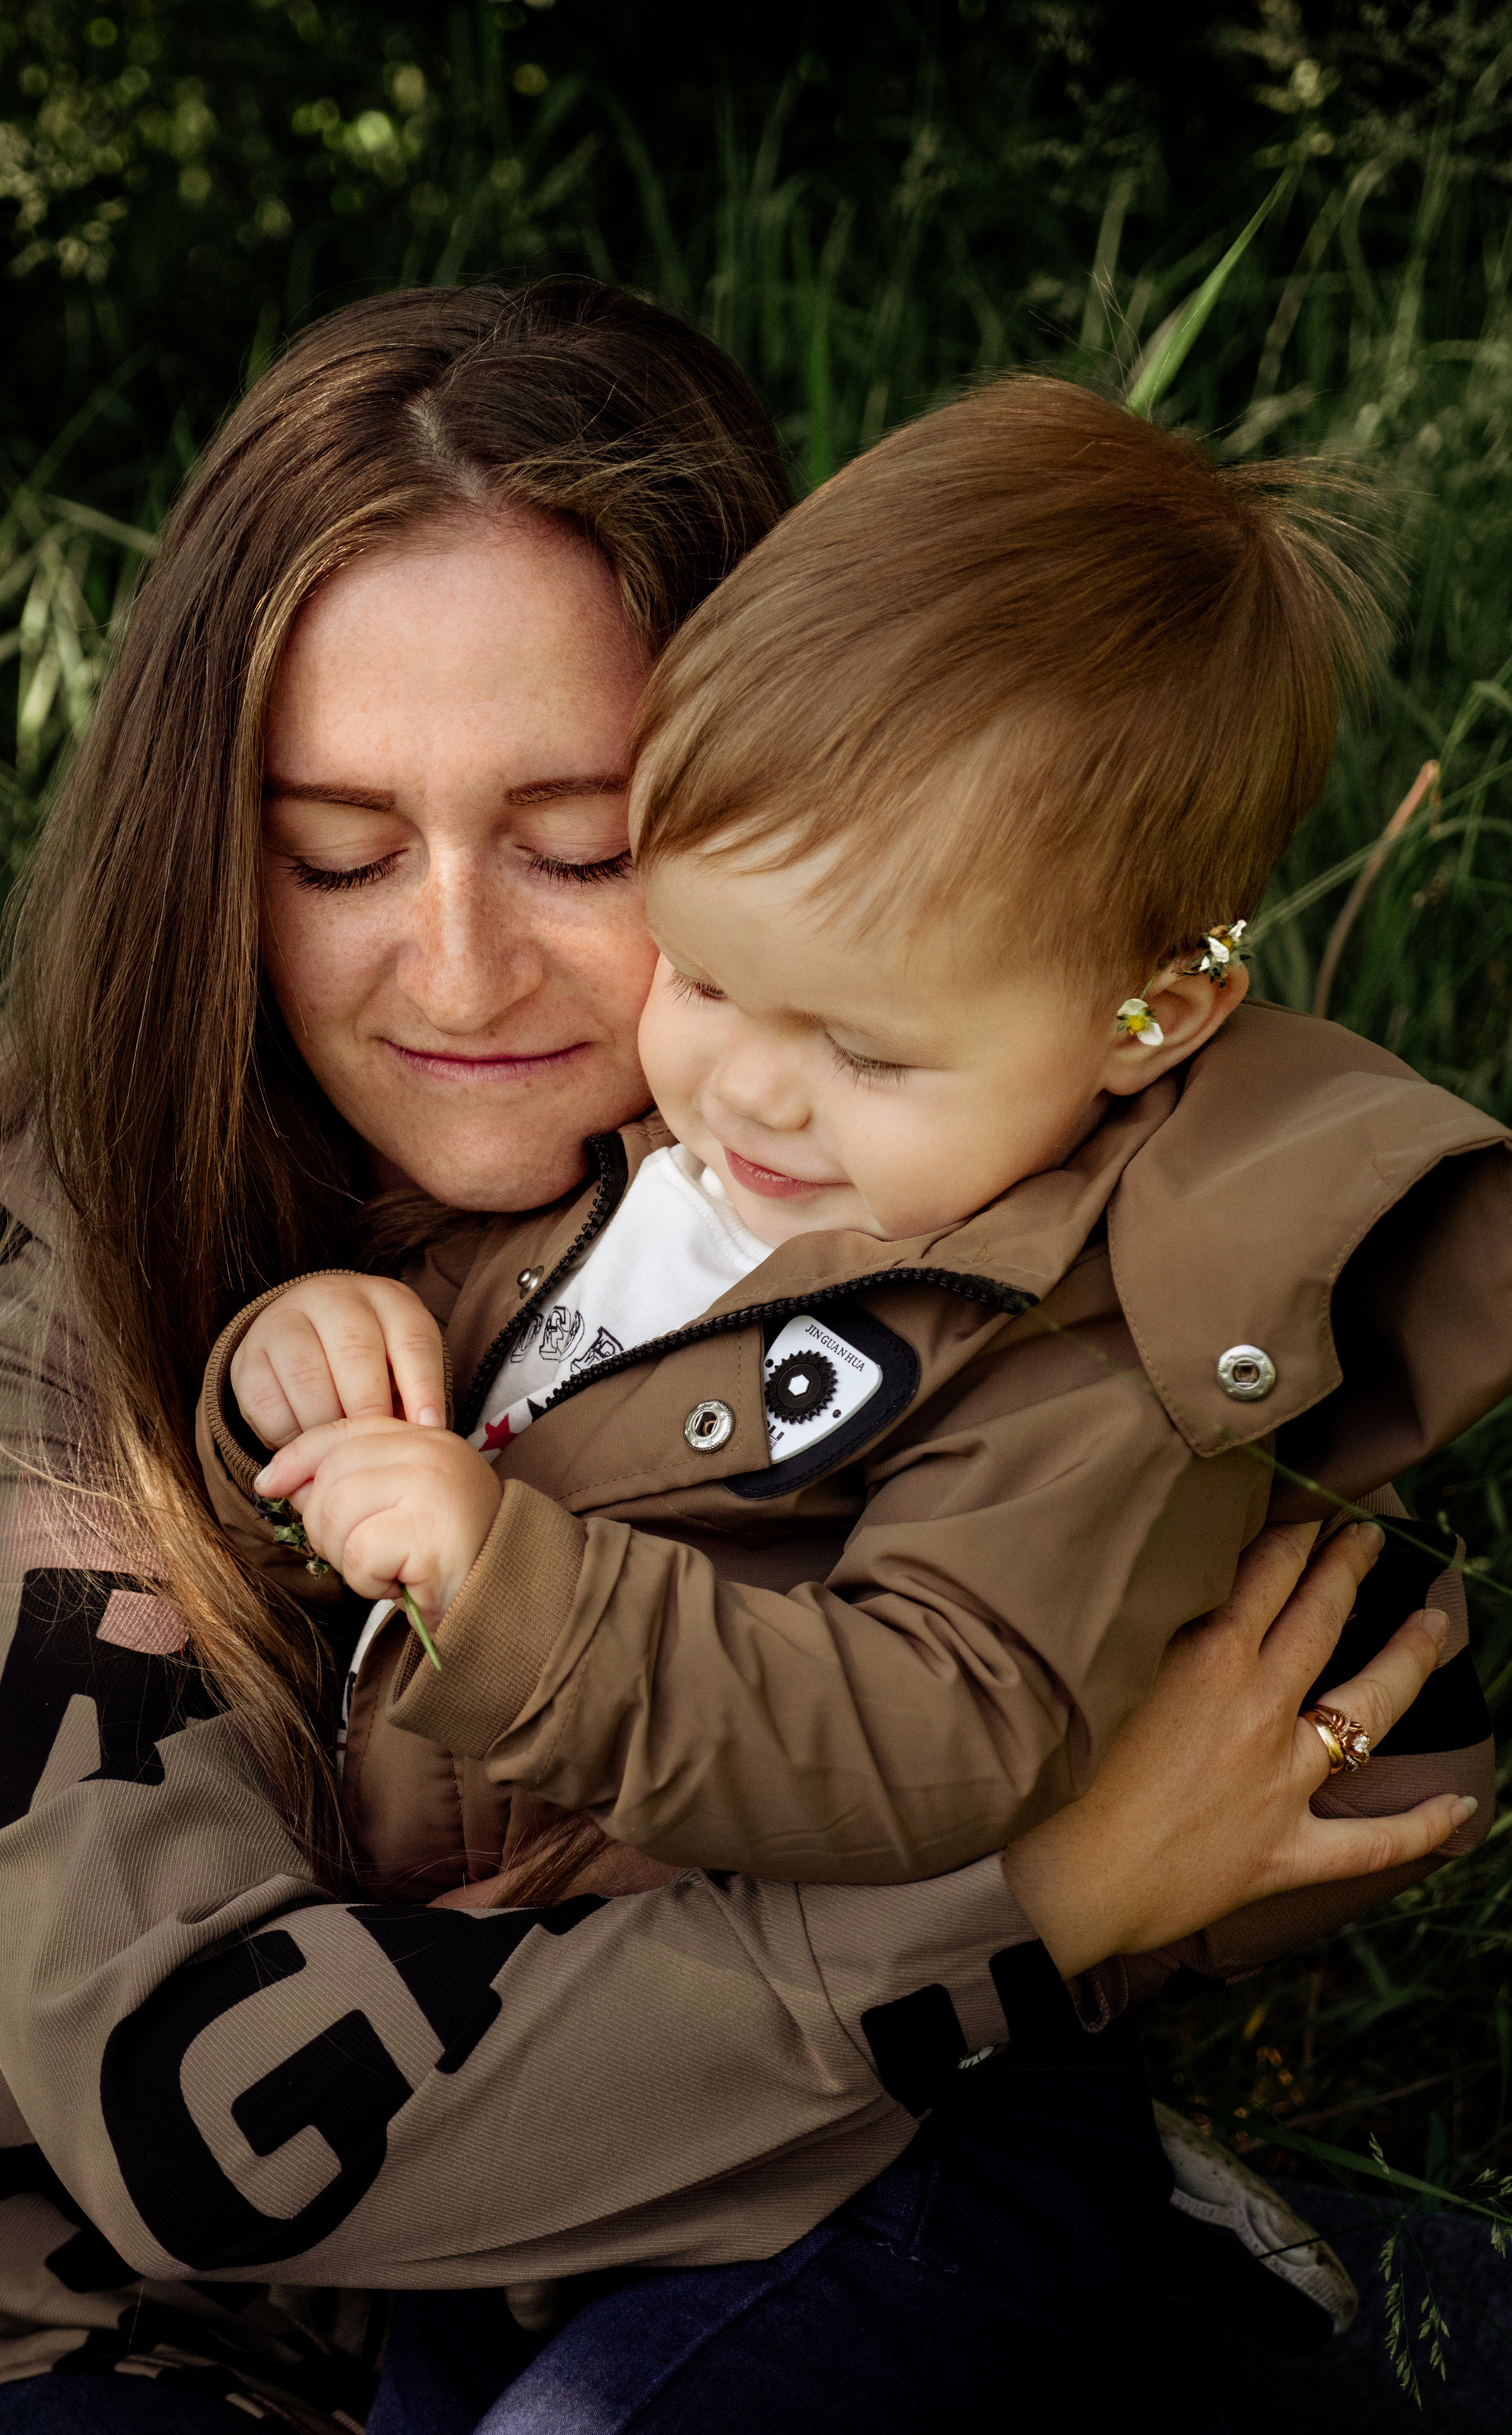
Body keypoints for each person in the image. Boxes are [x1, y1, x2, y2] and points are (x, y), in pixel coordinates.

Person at [0, 281, 1480, 2435]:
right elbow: (197, 2108)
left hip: (806, 2189)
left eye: (585, 847)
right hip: (200, 2317)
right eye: (336, 851)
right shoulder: (26, 1324)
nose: (465, 965)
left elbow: (1280, 1711)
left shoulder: (890, 1167)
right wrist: (1036, 1912)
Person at [224, 376, 1504, 1921]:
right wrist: (305, 1357)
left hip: (713, 2024)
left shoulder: (1088, 1361)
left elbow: (938, 1730)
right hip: (398, 1913)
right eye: (698, 976)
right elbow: (487, 1365)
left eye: (866, 1049)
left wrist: (511, 1592)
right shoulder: (659, 1150)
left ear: (1147, 1019)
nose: (745, 1091)